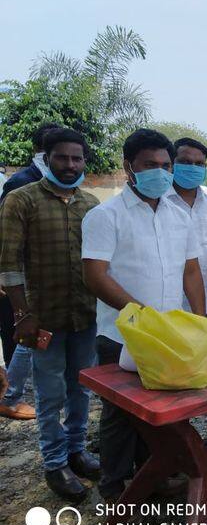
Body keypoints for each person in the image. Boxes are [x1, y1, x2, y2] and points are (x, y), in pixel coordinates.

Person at [82, 128, 206, 501]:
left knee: (165, 407)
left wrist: (200, 320)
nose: (161, 172)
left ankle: (153, 472)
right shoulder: (105, 216)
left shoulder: (178, 215)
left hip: (169, 333)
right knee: (121, 414)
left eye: (166, 165)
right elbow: (95, 275)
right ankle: (115, 485)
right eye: (150, 165)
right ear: (128, 168)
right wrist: (139, 313)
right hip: (122, 334)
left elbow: (189, 271)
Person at [0, 127, 100, 500]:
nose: (71, 164)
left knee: (80, 389)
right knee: (49, 392)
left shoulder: (91, 204)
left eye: (77, 158)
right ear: (46, 158)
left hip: (85, 314)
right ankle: (54, 462)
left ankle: (76, 450)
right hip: (42, 317)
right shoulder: (21, 200)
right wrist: (21, 313)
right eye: (63, 157)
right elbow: (8, 264)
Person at [0, 122, 61, 421]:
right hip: (25, 276)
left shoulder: (57, 182)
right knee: (29, 331)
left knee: (40, 332)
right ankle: (12, 394)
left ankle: (18, 391)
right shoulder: (21, 183)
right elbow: (7, 236)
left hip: (50, 275)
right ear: (44, 152)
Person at [165, 137, 207, 322]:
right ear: (171, 164)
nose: (192, 168)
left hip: (203, 307)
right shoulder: (158, 203)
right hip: (164, 309)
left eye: (199, 164)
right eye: (185, 162)